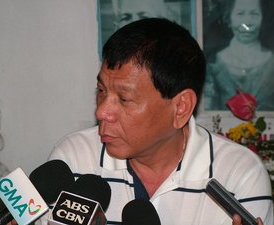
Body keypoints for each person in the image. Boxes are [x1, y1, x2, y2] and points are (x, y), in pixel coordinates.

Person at [45, 18, 272, 224]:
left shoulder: (239, 173)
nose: (102, 112)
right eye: (101, 90)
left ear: (180, 107)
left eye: (124, 99)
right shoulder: (73, 160)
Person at [204, 0, 274, 110]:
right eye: (240, 13)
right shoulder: (214, 62)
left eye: (254, 14)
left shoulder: (271, 62)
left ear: (263, 18)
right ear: (229, 18)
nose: (247, 22)